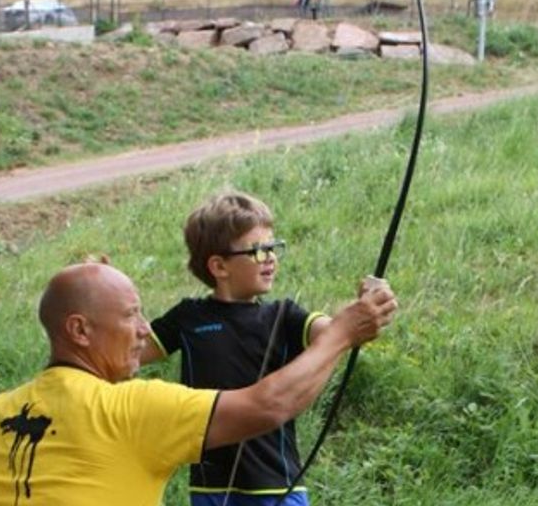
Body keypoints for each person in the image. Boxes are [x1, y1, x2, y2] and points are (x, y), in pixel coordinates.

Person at [0, 257, 397, 506]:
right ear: (80, 331)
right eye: (129, 315)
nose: (143, 329)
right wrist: (342, 334)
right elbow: (267, 406)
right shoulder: (132, 410)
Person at [142, 193, 369, 506]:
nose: (272, 258)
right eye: (259, 251)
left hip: (277, 486)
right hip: (212, 490)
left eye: (274, 248)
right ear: (219, 266)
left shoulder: (283, 316)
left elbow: (339, 333)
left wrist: (367, 307)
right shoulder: (187, 318)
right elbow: (129, 352)